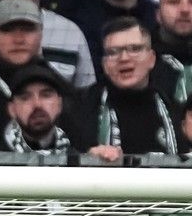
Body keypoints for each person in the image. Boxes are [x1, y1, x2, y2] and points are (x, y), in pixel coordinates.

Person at [74, 16, 179, 158]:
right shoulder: (80, 109)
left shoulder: (174, 110)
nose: (124, 58)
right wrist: (86, 158)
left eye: (135, 49)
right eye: (113, 52)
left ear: (151, 59)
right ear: (104, 64)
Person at [0, 61, 73, 154]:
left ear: (59, 105)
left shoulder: (82, 158)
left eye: (46, 95)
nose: (37, 104)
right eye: (25, 97)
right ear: (12, 109)